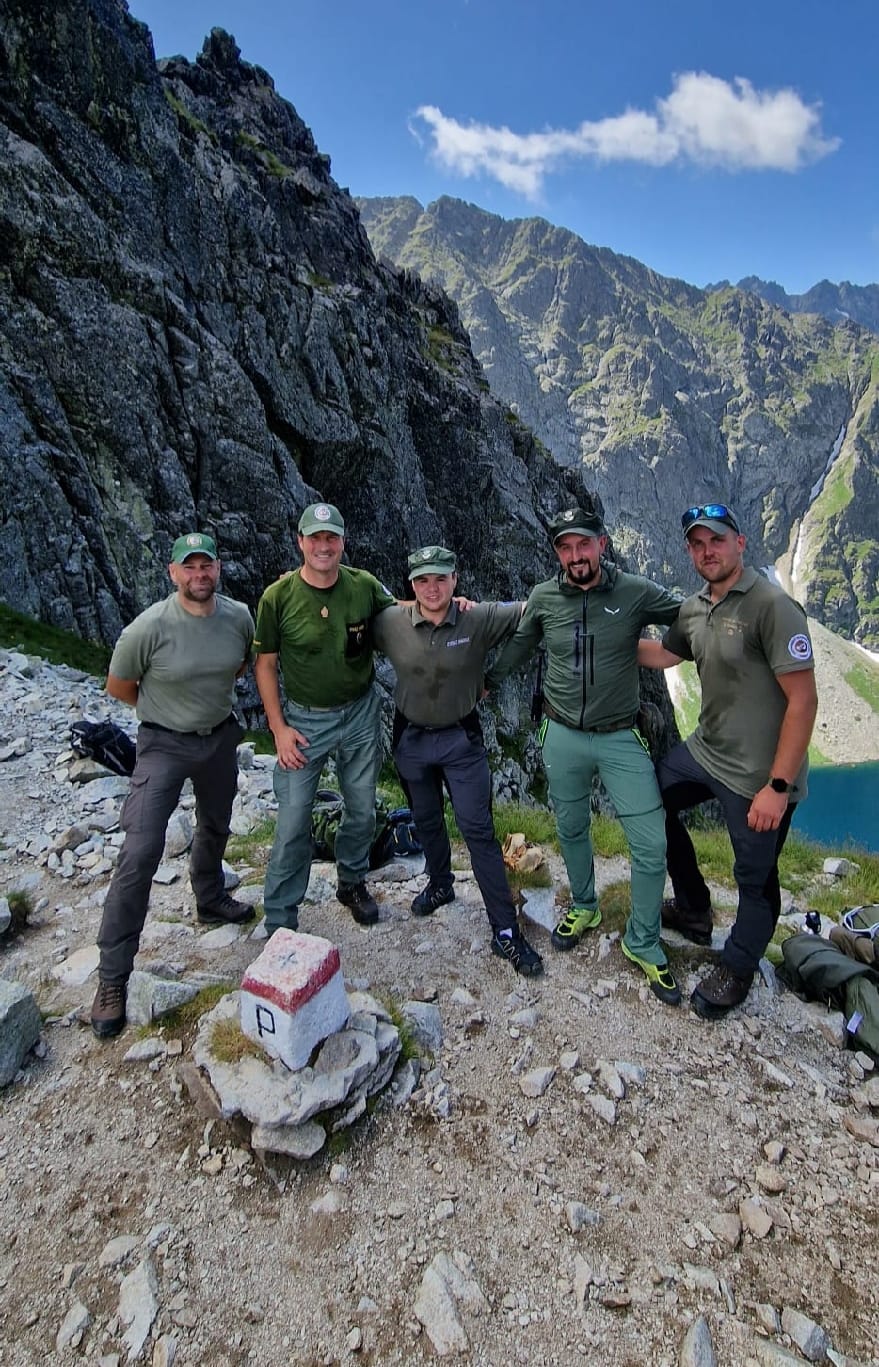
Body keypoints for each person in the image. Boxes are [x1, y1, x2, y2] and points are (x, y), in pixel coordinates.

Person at [485, 508, 683, 1005]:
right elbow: (522, 643)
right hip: (562, 733)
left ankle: (643, 939)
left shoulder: (635, 591)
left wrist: (705, 641)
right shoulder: (545, 596)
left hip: (620, 736)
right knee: (571, 827)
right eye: (565, 548)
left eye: (583, 545)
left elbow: (686, 614)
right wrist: (487, 682)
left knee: (650, 843)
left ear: (602, 543)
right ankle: (586, 905)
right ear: (558, 553)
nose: (575, 556)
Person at [638, 503, 818, 1019]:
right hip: (706, 752)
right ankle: (694, 908)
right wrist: (611, 644)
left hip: (761, 776)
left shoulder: (772, 606)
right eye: (696, 544)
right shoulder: (695, 608)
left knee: (755, 880)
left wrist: (778, 787)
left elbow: (803, 702)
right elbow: (668, 654)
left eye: (715, 540)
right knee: (649, 801)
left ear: (740, 543)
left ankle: (738, 965)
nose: (706, 551)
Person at [91, 532, 255, 1038]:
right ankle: (113, 977)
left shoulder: (238, 617)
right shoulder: (149, 627)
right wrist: (163, 715)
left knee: (216, 825)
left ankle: (208, 898)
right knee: (141, 849)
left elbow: (242, 665)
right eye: (190, 567)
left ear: (218, 569)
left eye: (206, 566)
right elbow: (119, 686)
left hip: (219, 737)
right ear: (174, 573)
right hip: (162, 743)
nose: (199, 575)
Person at [372, 546, 543, 977]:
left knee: (478, 830)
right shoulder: (389, 620)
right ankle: (441, 885)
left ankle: (505, 931)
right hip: (410, 737)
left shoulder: (477, 618)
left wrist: (495, 676)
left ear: (455, 579)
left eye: (441, 579)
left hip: (460, 739)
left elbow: (534, 608)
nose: (432, 588)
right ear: (411, 585)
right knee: (425, 819)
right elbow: (347, 606)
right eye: (423, 580)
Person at [253, 503, 395, 935]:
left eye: (331, 537)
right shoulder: (277, 598)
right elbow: (265, 664)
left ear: (342, 543)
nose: (323, 546)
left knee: (362, 809)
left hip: (359, 712)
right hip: (304, 721)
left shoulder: (364, 586)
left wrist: (446, 600)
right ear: (300, 542)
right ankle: (280, 918)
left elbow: (403, 615)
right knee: (294, 819)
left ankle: (351, 882)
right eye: (314, 538)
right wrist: (278, 729)